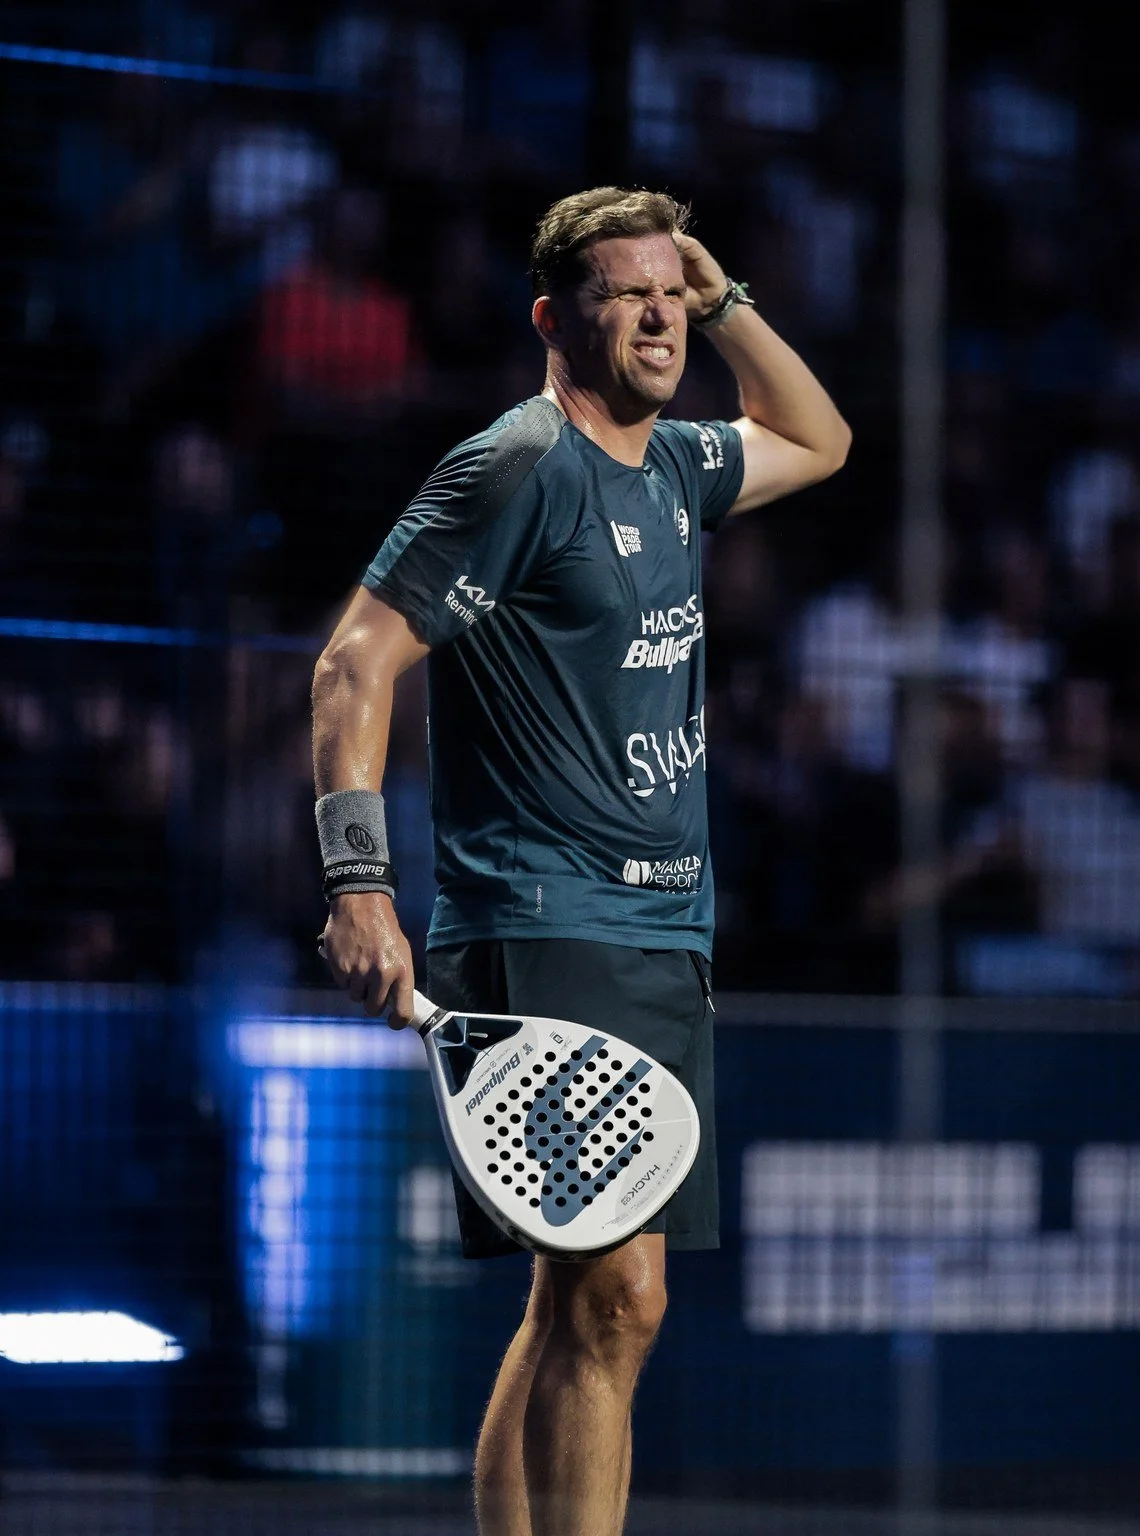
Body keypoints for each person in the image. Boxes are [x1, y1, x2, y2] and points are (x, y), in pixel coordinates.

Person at [312, 187, 850, 1536]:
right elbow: (355, 660)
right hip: (546, 916)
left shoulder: (672, 466)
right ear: (556, 319)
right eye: (631, 292)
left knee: (583, 1306)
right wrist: (358, 880)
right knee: (621, 1296)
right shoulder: (515, 463)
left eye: (673, 291)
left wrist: (727, 300)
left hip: (663, 936)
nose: (661, 313)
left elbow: (823, 439)